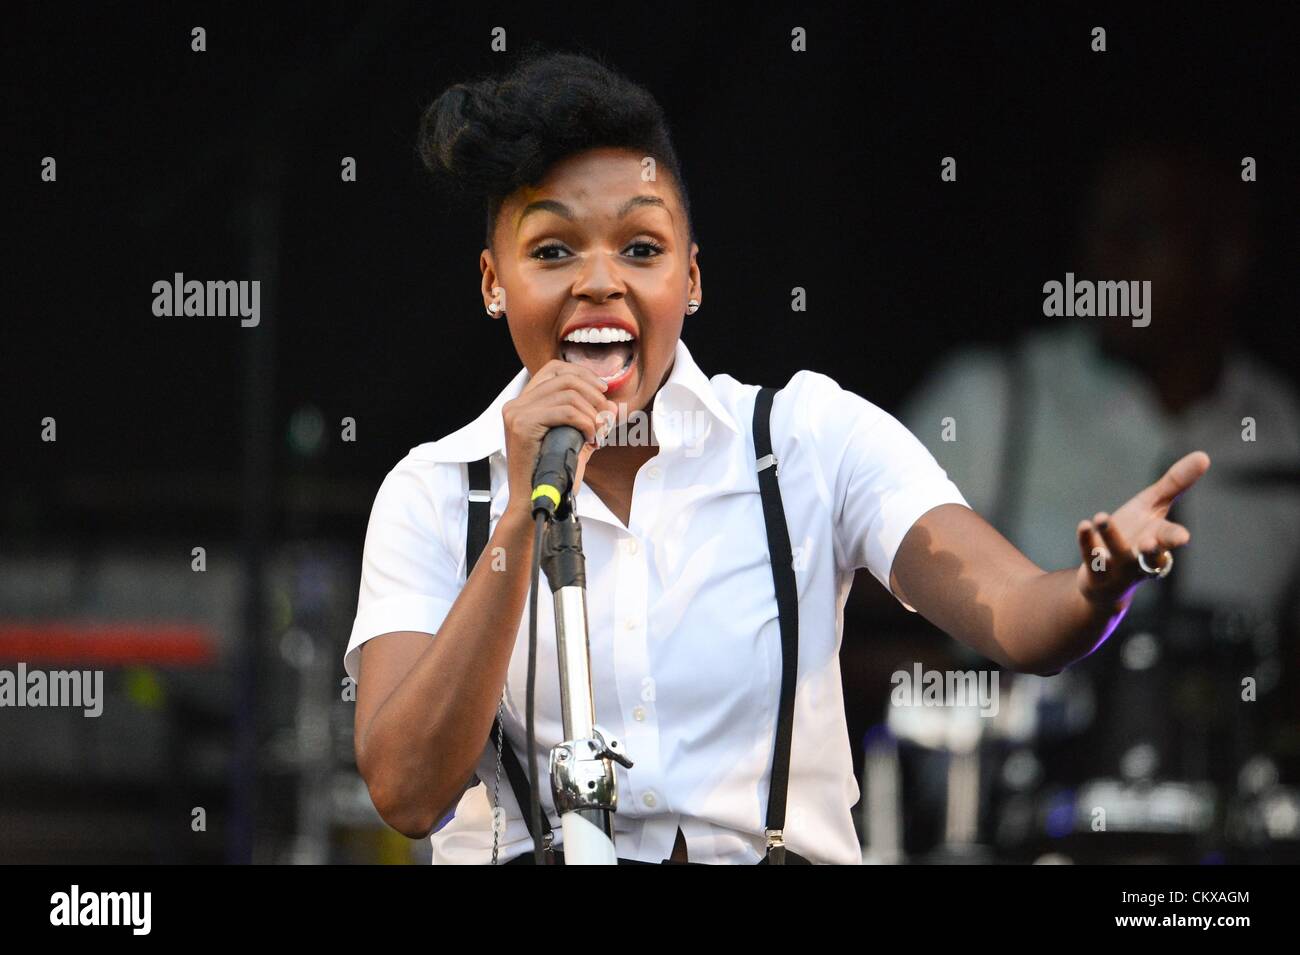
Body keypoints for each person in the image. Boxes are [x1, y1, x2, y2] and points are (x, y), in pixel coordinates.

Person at [343, 50, 1210, 864]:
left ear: (691, 277)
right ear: (495, 283)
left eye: (641, 249)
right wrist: (522, 519)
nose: (599, 280)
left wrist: (1096, 587)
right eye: (553, 250)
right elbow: (408, 791)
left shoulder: (806, 440)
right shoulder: (435, 492)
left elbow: (1019, 617)